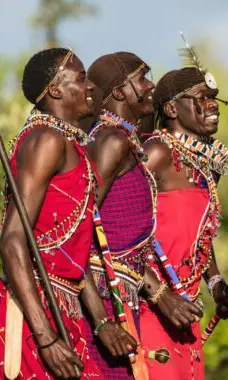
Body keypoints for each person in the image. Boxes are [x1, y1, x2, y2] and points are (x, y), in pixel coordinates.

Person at [0, 48, 136, 380]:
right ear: (55, 89)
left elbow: (72, 251)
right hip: (34, 309)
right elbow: (12, 241)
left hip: (63, 305)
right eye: (81, 78)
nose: (91, 88)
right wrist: (46, 338)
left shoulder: (74, 148)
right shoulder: (45, 141)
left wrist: (100, 321)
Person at [84, 52, 203, 378]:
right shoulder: (110, 141)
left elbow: (132, 234)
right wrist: (102, 321)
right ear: (120, 92)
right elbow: (82, 227)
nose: (151, 86)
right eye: (142, 77)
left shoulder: (125, 139)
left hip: (123, 293)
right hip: (106, 296)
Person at [139, 66, 228, 379]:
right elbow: (116, 232)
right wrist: (160, 295)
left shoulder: (208, 165)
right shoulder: (156, 153)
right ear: (171, 108)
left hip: (187, 309)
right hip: (151, 306)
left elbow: (201, 236)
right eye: (201, 97)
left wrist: (215, 284)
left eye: (214, 98)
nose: (211, 105)